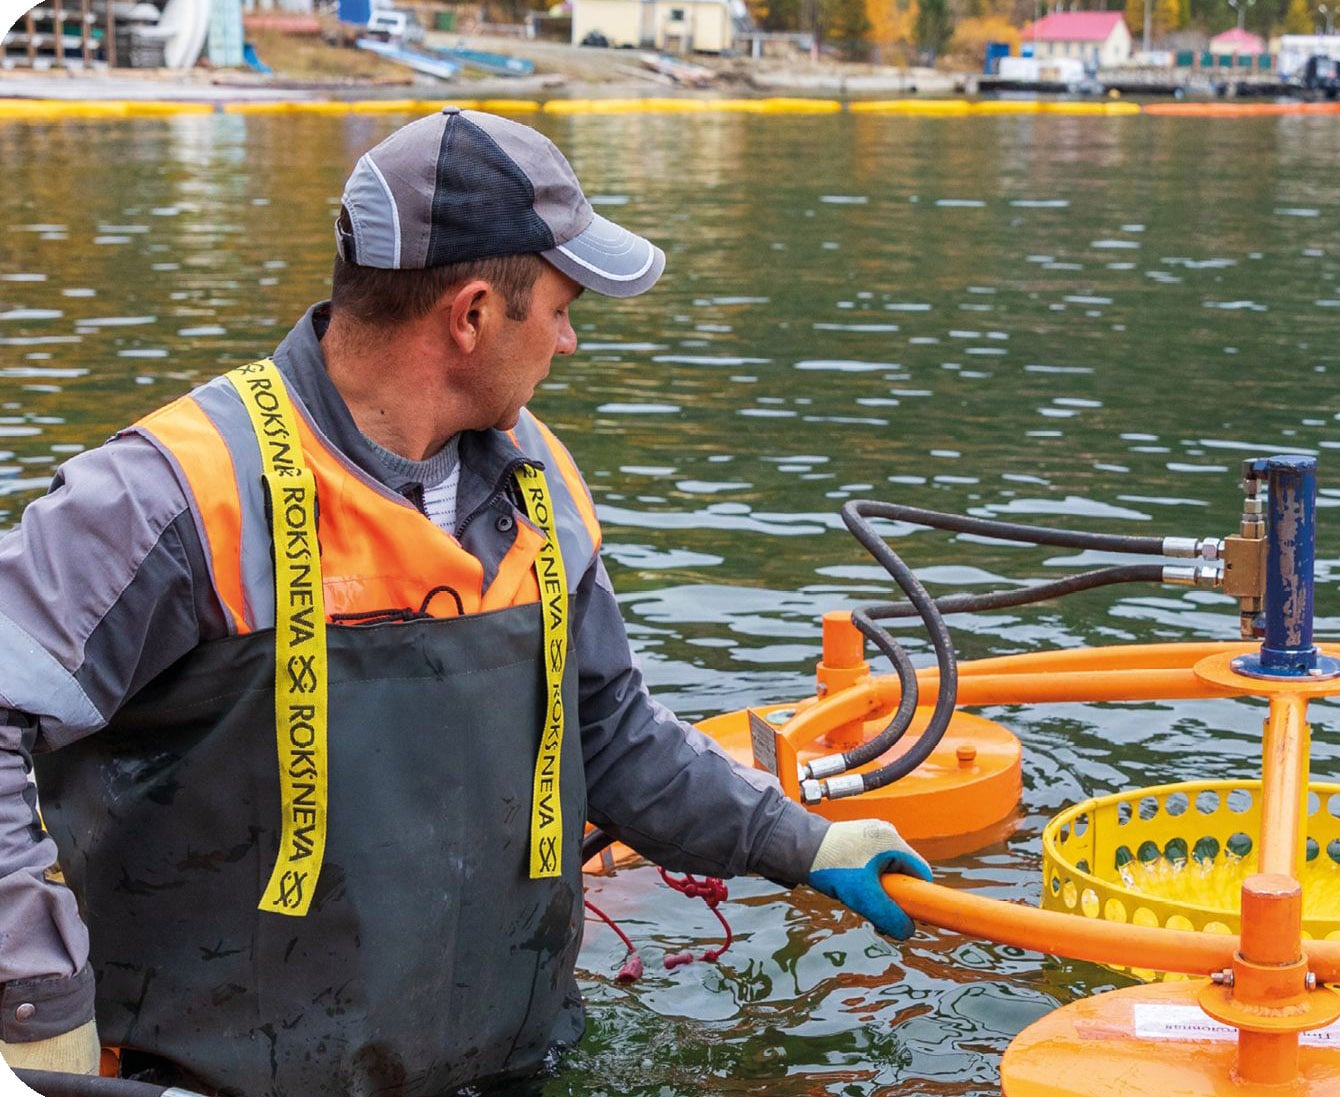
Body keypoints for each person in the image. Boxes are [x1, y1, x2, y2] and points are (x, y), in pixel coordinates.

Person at [0, 107, 930, 1096]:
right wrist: (33, 989)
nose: (570, 341)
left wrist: (800, 838)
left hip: (509, 1062)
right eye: (563, 307)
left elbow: (610, 733)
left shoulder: (546, 485)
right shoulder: (172, 493)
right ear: (474, 313)